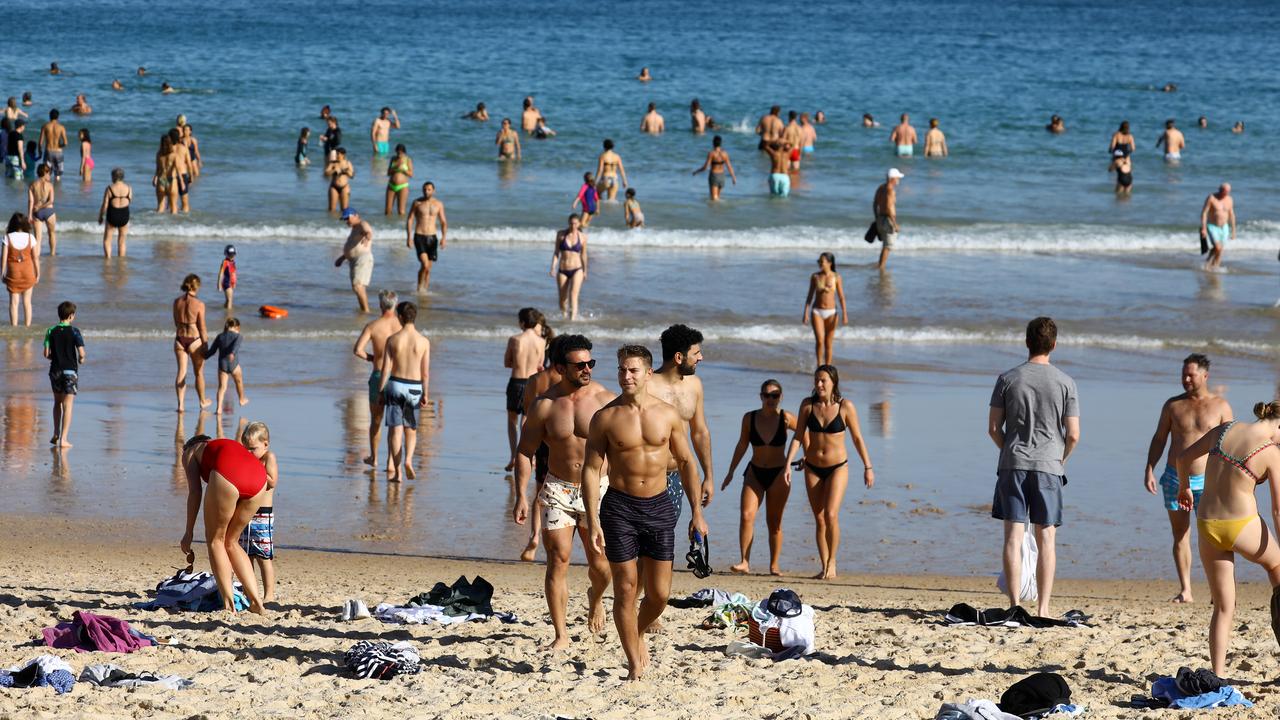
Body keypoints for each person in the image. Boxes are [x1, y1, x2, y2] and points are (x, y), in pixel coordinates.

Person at [582, 345, 706, 680]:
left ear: (648, 373)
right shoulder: (605, 417)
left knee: (659, 595)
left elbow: (685, 462)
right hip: (619, 507)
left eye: (633, 370)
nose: (626, 376)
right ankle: (633, 663)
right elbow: (592, 471)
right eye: (622, 370)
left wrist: (697, 512)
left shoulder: (668, 415)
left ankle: (635, 632)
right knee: (625, 587)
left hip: (659, 504)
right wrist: (593, 520)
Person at [512, 334, 616, 649]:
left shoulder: (605, 399)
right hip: (558, 487)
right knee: (558, 558)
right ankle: (561, 635)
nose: (587, 369)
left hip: (596, 489)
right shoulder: (544, 405)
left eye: (591, 363)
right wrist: (520, 494)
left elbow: (627, 445)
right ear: (560, 367)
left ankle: (595, 597)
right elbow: (524, 451)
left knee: (601, 564)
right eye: (580, 364)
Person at [1177, 401, 1280, 675]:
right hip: (1242, 525)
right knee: (1277, 568)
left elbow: (1183, 458)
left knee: (1224, 607)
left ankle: (1219, 674)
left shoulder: (1223, 430)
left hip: (1208, 525)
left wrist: (1184, 489)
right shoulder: (1270, 452)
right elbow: (1278, 510)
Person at [987, 316, 1080, 616]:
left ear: (1027, 342)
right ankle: (1042, 608)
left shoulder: (1008, 378)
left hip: (1014, 462)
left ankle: (1014, 605)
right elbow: (1074, 434)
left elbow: (992, 428)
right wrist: (1060, 459)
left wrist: (1009, 452)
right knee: (1046, 538)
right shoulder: (1066, 382)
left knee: (1013, 536)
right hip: (1049, 465)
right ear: (1054, 345)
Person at [1143, 354, 1234, 603]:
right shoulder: (1173, 405)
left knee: (1212, 535)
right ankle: (1186, 590)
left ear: (1205, 376)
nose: (1185, 379)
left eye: (1190, 375)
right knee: (1180, 533)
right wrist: (1150, 467)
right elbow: (1160, 438)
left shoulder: (1220, 406)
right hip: (1174, 477)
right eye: (1183, 374)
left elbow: (1231, 445)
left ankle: (1218, 590)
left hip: (1208, 480)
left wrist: (1232, 479)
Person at [784, 365, 874, 579]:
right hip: (813, 468)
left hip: (838, 467)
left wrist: (867, 466)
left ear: (834, 382)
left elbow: (857, 438)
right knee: (819, 518)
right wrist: (787, 464)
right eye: (816, 380)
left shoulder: (845, 407)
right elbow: (798, 436)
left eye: (823, 380)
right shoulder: (807, 405)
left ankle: (833, 562)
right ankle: (824, 566)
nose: (819, 384)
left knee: (831, 514)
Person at [178, 433, 271, 614]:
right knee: (232, 542)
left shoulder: (190, 451)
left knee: (216, 540)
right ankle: (257, 603)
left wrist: (188, 532)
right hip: (259, 478)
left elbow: (195, 492)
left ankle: (229, 606)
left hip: (228, 473)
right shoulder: (221, 443)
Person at [721, 379, 796, 575]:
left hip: (779, 473)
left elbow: (805, 436)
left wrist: (806, 460)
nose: (771, 399)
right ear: (761, 396)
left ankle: (774, 565)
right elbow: (742, 445)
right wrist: (731, 471)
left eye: (775, 395)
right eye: (767, 395)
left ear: (781, 397)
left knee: (774, 521)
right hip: (754, 472)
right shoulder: (750, 418)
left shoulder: (786, 418)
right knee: (746, 515)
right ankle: (744, 561)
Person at [648, 324, 715, 525]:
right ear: (679, 357)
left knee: (665, 537)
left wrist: (708, 476)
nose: (700, 358)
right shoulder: (647, 386)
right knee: (644, 544)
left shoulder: (695, 385)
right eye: (696, 353)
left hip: (678, 476)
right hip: (648, 477)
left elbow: (700, 432)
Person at [377, 301, 431, 483]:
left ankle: (398, 473)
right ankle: (409, 460)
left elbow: (386, 369)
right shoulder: (424, 341)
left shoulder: (392, 339)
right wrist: (426, 393)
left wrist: (380, 391)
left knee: (395, 430)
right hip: (414, 387)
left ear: (400, 317)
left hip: (396, 385)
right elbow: (425, 372)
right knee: (411, 428)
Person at [353, 290, 403, 473]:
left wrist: (372, 358)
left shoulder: (373, 326)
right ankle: (391, 462)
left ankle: (374, 458)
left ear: (381, 305)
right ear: (396, 305)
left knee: (376, 420)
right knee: (394, 422)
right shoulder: (402, 325)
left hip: (378, 375)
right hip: (398, 376)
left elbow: (357, 350)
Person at [237, 422, 279, 603]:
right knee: (246, 554)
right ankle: (249, 590)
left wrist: (255, 468)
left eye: (252, 449)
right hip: (246, 512)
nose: (248, 453)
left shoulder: (268, 458)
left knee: (263, 556)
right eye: (246, 449)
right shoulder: (248, 459)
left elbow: (272, 482)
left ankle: (269, 593)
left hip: (263, 515)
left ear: (265, 444)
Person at [505, 308, 549, 472]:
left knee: (512, 420)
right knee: (527, 421)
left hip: (516, 381)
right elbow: (541, 365)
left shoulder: (514, 339)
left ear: (522, 322)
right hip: (532, 383)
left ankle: (513, 456)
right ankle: (529, 456)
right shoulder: (541, 341)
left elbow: (507, 362)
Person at [44, 300, 84, 448]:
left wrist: (55, 357)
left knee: (57, 403)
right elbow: (81, 352)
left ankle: (55, 434)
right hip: (70, 371)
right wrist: (82, 359)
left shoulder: (50, 330)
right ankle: (64, 439)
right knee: (68, 404)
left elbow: (46, 354)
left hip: (55, 370)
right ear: (71, 316)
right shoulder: (75, 331)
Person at [173, 274, 210, 413]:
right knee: (199, 373)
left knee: (181, 372)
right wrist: (205, 344)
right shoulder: (199, 304)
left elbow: (176, 322)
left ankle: (181, 405)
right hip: (194, 340)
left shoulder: (176, 302)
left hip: (180, 339)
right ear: (197, 287)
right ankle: (202, 400)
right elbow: (202, 327)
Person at [802, 252, 846, 367]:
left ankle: (827, 367)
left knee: (828, 342)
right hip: (817, 311)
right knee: (820, 341)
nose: (820, 264)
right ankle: (819, 365)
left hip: (832, 312)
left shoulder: (836, 277)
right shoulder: (815, 277)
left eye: (822, 261)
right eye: (819, 261)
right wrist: (805, 312)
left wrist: (845, 314)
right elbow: (810, 296)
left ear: (830, 263)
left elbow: (841, 297)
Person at [406, 182, 448, 294]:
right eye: (424, 189)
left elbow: (443, 222)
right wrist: (409, 237)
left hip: (432, 238)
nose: (426, 191)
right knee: (424, 264)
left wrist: (444, 238)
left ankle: (425, 290)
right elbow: (410, 219)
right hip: (419, 236)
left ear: (433, 190)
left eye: (429, 189)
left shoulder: (438, 204)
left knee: (428, 269)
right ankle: (419, 288)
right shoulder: (417, 203)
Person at [334, 207, 374, 313]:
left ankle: (366, 310)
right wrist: (342, 258)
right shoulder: (354, 229)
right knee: (357, 287)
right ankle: (363, 309)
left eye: (348, 218)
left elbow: (368, 231)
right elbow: (352, 248)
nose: (346, 221)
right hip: (354, 260)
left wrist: (367, 236)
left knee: (358, 286)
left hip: (362, 258)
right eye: (344, 219)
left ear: (356, 215)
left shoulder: (362, 223)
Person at [205, 317, 248, 413]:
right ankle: (241, 399)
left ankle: (219, 408)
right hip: (234, 364)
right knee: (239, 382)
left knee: (222, 387)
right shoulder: (238, 336)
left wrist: (203, 356)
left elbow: (212, 351)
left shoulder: (220, 336)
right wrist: (232, 353)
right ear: (236, 327)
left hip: (222, 365)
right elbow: (236, 346)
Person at [3, 213, 40, 326]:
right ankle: (27, 327)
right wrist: (37, 274)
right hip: (28, 273)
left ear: (12, 224)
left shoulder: (7, 238)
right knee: (27, 302)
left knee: (14, 303)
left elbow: (3, 258)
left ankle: (14, 328)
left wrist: (2, 274)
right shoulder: (30, 237)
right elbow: (35, 258)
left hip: (13, 274)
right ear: (25, 224)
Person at [551, 214, 587, 321]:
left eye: (575, 223)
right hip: (563, 269)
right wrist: (553, 267)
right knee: (562, 298)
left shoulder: (583, 237)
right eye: (571, 223)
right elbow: (557, 252)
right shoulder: (561, 235)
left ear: (579, 223)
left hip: (577, 269)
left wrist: (585, 271)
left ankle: (572, 320)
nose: (573, 226)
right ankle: (564, 317)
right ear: (568, 223)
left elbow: (584, 255)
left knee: (573, 295)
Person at [1199, 183, 1235, 271]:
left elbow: (1232, 215)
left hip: (1224, 227)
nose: (1225, 194)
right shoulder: (1211, 198)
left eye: (1227, 192)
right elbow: (1204, 213)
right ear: (1219, 189)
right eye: (1223, 191)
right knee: (1218, 248)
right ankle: (1212, 266)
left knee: (1219, 249)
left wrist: (1233, 230)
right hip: (1212, 226)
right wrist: (1203, 228)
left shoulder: (1230, 199)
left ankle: (1213, 266)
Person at [97, 168, 131, 257]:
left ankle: (108, 259)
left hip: (113, 214)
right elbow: (129, 201)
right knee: (122, 241)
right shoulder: (129, 188)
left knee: (107, 240)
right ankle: (121, 261)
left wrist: (100, 216)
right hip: (124, 214)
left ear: (113, 177)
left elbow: (105, 205)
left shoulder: (109, 188)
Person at [873, 169, 904, 269]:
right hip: (888, 220)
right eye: (897, 178)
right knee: (887, 247)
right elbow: (888, 207)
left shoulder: (881, 188)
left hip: (880, 218)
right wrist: (895, 224)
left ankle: (880, 265)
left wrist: (877, 218)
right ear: (892, 179)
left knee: (885, 245)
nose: (899, 179)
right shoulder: (891, 190)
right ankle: (881, 267)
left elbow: (875, 203)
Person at [692, 135, 736, 201]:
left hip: (714, 176)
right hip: (722, 177)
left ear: (713, 143)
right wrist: (733, 177)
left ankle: (714, 211)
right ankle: (719, 211)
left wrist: (696, 171)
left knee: (714, 200)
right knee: (718, 198)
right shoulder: (725, 154)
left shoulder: (711, 153)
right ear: (721, 143)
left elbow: (705, 167)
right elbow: (729, 167)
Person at [27, 164, 57, 255]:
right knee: (51, 234)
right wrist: (42, 206)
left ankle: (37, 257)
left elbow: (31, 201)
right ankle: (52, 254)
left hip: (37, 213)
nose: (50, 175)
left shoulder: (32, 185)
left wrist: (29, 215)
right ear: (45, 173)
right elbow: (51, 201)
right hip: (49, 212)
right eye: (49, 173)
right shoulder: (50, 185)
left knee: (38, 239)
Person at [38, 109, 67, 181]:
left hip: (48, 151)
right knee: (57, 174)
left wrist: (40, 152)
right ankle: (56, 190)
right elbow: (65, 143)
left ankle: (47, 189)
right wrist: (60, 146)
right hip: (58, 152)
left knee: (47, 173)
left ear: (49, 116)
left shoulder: (45, 126)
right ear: (58, 117)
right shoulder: (61, 127)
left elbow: (40, 142)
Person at [385, 144, 413, 216]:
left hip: (403, 186)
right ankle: (388, 226)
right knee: (387, 211)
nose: (399, 155)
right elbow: (388, 173)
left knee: (401, 211)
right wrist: (395, 168)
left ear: (404, 152)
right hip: (391, 185)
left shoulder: (407, 160)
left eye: (400, 153)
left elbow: (411, 174)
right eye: (397, 152)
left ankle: (401, 226)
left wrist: (403, 170)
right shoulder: (393, 159)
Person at [324, 147, 354, 212]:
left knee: (344, 209)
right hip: (334, 187)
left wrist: (345, 171)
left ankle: (342, 222)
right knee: (331, 210)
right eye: (336, 154)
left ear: (343, 155)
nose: (336, 156)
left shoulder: (347, 163)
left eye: (338, 154)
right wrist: (334, 170)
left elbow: (352, 176)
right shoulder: (333, 163)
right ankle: (332, 221)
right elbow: (326, 173)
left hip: (345, 187)